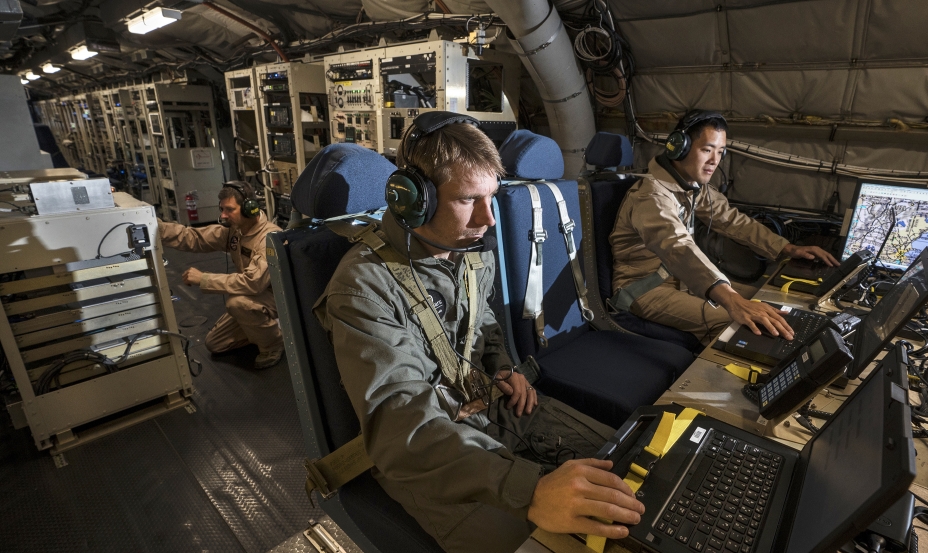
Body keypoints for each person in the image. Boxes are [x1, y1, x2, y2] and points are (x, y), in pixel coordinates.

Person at [314, 114, 644, 553]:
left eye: (492, 197)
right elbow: (401, 420)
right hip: (424, 450)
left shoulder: (467, 251)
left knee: (625, 474)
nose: (489, 218)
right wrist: (530, 491)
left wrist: (504, 367)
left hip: (490, 405)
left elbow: (484, 326)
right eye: (470, 200)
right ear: (415, 201)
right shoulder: (362, 287)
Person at [609, 110, 838, 343]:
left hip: (683, 281)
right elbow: (678, 247)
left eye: (720, 152)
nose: (714, 160)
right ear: (680, 148)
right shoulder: (651, 197)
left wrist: (786, 248)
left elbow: (731, 220)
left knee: (776, 304)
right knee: (740, 322)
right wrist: (732, 300)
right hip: (644, 290)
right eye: (707, 150)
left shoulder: (691, 187)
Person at [158, 181, 285, 369]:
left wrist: (204, 279)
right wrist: (155, 228)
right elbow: (193, 237)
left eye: (229, 209)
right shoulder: (236, 231)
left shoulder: (268, 238)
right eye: (222, 209)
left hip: (277, 298)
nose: (223, 215)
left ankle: (274, 343)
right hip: (254, 295)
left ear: (250, 209)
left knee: (237, 303)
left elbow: (253, 283)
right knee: (215, 343)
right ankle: (259, 329)